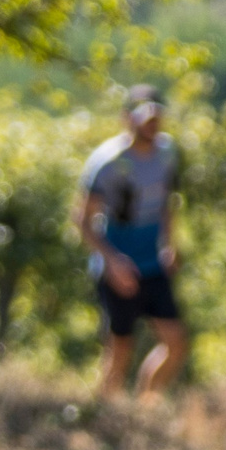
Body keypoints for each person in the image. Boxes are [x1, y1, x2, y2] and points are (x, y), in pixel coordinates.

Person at [75, 84, 188, 396]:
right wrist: (112, 262)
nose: (152, 125)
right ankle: (103, 410)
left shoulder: (167, 153)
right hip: (117, 267)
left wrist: (169, 244)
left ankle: (147, 402)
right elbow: (83, 220)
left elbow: (167, 203)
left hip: (152, 263)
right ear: (128, 118)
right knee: (121, 349)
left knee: (176, 342)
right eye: (145, 118)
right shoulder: (107, 162)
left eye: (156, 118)